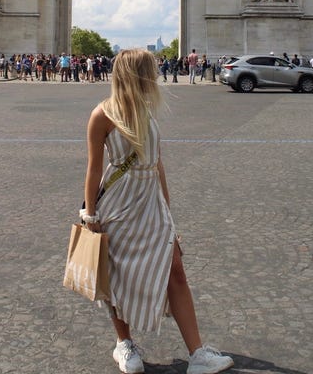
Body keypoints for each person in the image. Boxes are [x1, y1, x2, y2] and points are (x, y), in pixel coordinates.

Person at [82, 49, 234, 374]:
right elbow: (93, 169)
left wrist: (166, 204)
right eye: (150, 70)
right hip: (118, 204)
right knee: (115, 276)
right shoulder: (101, 114)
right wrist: (90, 215)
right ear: (136, 73)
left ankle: (197, 354)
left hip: (151, 203)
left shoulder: (148, 108)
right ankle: (125, 344)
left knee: (175, 269)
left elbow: (158, 161)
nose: (156, 76)